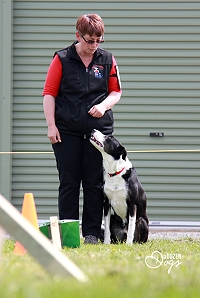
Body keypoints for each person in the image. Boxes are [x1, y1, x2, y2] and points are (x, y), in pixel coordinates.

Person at [42, 14, 122, 244]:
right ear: (78, 35)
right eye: (89, 40)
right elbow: (49, 93)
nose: (94, 45)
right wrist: (51, 126)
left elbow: (116, 92)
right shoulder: (62, 58)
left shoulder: (107, 60)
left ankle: (91, 235)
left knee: (94, 184)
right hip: (66, 132)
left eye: (99, 40)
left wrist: (103, 105)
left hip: (98, 134)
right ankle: (68, 236)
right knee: (69, 182)